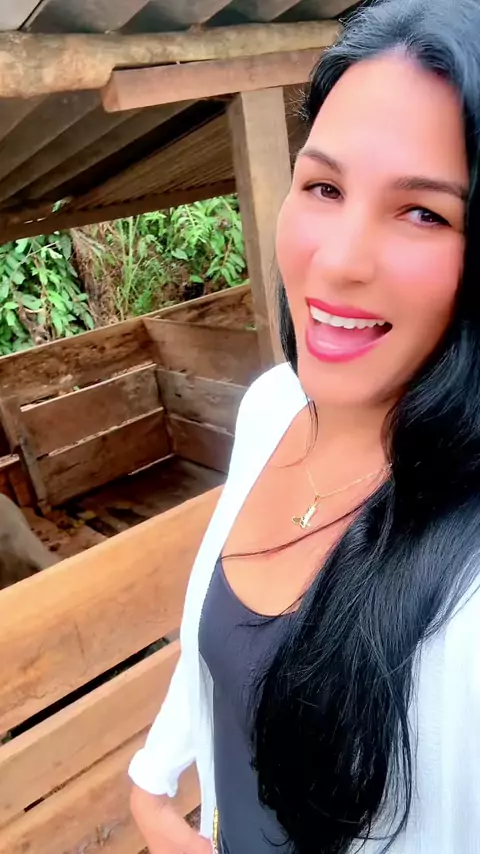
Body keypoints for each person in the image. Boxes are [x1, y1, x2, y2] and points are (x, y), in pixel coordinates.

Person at [129, 0, 480, 851]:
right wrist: (154, 785)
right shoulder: (273, 408)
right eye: (324, 187)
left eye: (424, 212)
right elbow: (220, 649)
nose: (340, 259)